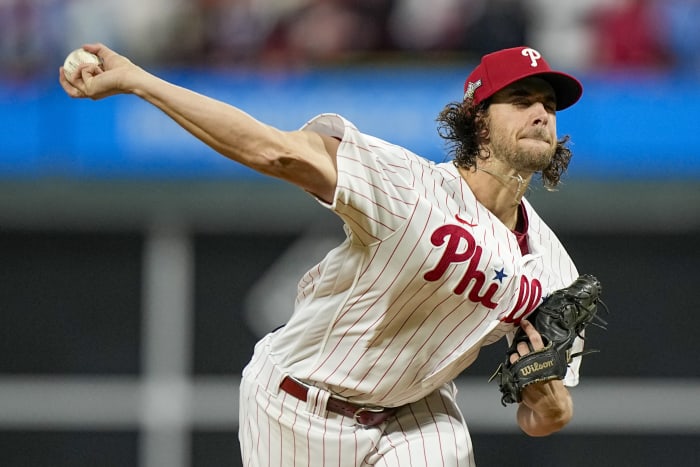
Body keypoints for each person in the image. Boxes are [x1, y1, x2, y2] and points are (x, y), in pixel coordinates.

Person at [60, 44, 585, 466]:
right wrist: (138, 81)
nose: (541, 113)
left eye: (549, 104)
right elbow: (274, 149)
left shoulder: (554, 270)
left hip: (415, 415)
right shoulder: (409, 188)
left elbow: (542, 420)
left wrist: (548, 396)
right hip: (297, 404)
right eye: (522, 99)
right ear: (478, 120)